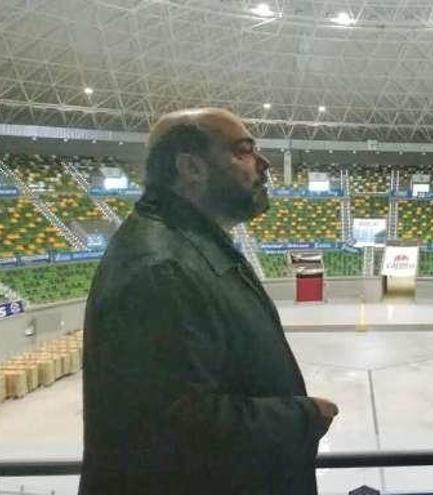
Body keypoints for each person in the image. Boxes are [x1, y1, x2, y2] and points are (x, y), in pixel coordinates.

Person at [79, 108, 338, 494]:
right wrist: (304, 416)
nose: (264, 164)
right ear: (191, 168)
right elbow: (173, 424)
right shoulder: (160, 268)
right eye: (243, 150)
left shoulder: (192, 247)